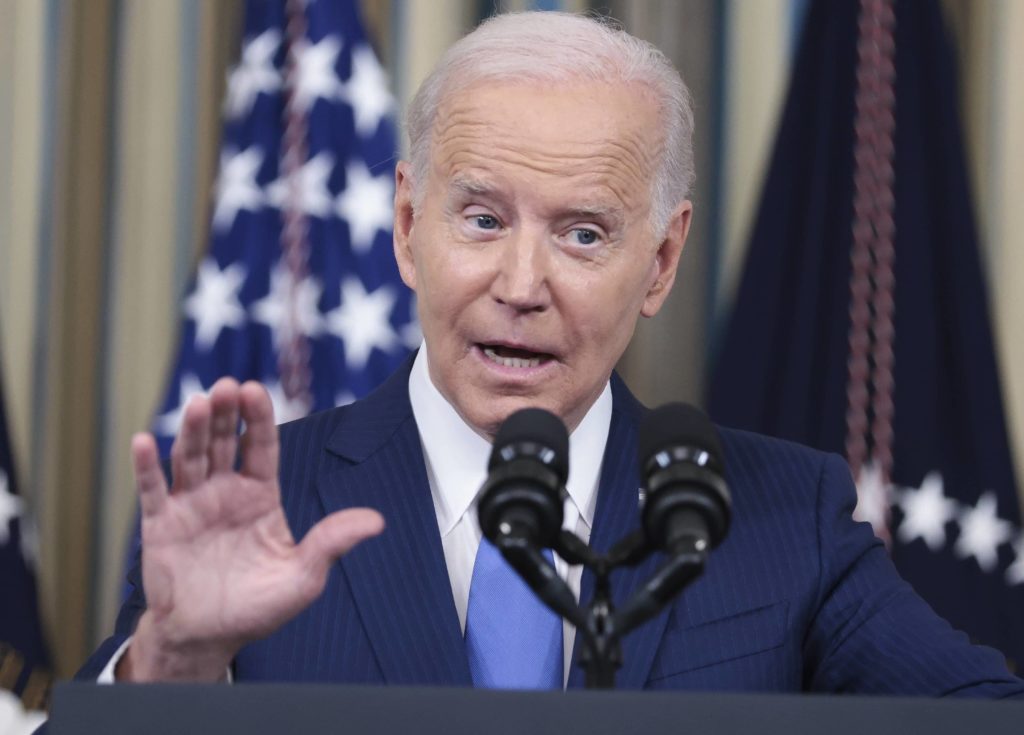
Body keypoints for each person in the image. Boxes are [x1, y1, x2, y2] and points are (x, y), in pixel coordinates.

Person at [79, 11, 1023, 694]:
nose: (522, 283)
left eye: (582, 235)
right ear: (408, 227)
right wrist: (173, 660)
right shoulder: (259, 500)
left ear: (659, 261)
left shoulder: (787, 516)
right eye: (482, 219)